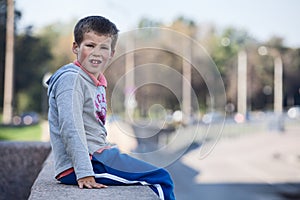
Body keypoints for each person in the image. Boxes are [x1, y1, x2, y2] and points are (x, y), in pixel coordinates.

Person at [46, 15, 175, 200]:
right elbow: (70, 127)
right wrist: (84, 172)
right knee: (160, 179)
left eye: (104, 47)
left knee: (157, 175)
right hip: (87, 164)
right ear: (76, 47)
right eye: (90, 45)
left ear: (112, 53)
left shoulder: (95, 82)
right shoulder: (71, 80)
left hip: (99, 157)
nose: (96, 53)